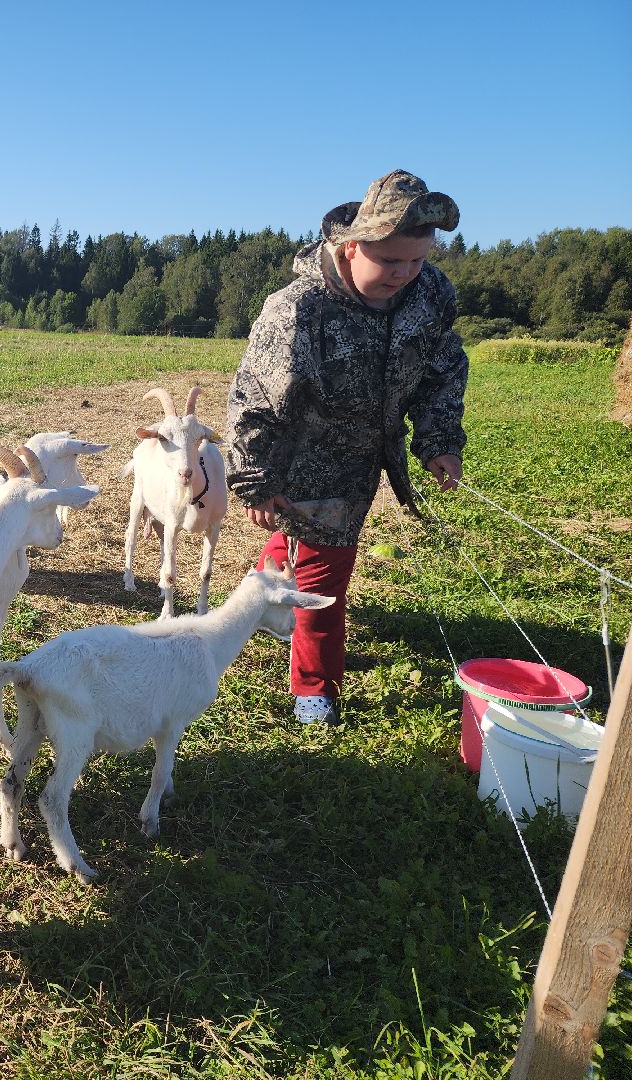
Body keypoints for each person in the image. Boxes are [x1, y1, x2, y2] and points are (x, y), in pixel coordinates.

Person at [226, 169, 467, 725]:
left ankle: (270, 580)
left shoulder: (430, 295)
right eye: (390, 262)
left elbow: (441, 370)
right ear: (352, 245)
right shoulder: (300, 309)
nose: (405, 274)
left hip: (368, 455)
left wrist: (438, 440)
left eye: (418, 260)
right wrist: (259, 481)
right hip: (304, 456)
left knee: (308, 553)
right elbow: (257, 398)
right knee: (324, 582)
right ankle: (313, 692)